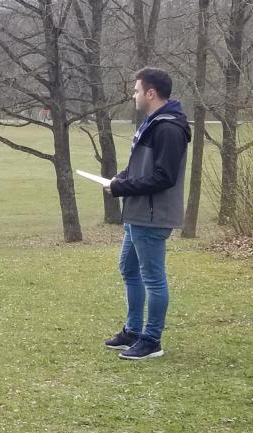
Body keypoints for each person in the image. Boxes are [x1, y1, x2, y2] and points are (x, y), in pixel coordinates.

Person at [102, 68, 192, 360]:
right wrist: (120, 179)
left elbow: (163, 177)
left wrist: (122, 188)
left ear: (151, 93)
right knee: (128, 269)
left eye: (137, 90)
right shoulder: (151, 123)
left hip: (153, 216)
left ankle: (151, 340)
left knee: (153, 278)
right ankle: (132, 331)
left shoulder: (168, 128)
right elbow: (139, 165)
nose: (134, 95)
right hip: (137, 213)